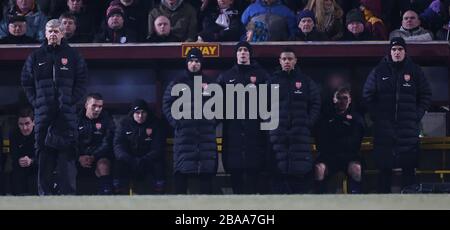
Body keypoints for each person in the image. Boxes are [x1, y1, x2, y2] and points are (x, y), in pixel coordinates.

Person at [21, 19, 88, 195]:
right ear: (45, 33)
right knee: (44, 160)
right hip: (43, 117)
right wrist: (37, 102)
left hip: (67, 116)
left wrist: (70, 100)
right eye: (49, 31)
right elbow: (26, 82)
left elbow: (82, 81)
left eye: (56, 31)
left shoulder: (73, 56)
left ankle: (67, 201)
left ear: (62, 33)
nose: (52, 34)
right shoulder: (35, 57)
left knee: (67, 162)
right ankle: (45, 199)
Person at [363, 37, 432, 193]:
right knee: (384, 171)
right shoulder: (379, 71)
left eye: (400, 49)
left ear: (405, 52)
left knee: (409, 171)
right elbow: (367, 95)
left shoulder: (415, 70)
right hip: (384, 130)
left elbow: (426, 95)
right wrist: (377, 116)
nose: (397, 52)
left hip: (407, 129)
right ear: (390, 51)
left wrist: (416, 115)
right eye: (394, 49)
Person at [217, 41, 270, 194]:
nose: (243, 52)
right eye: (240, 50)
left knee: (254, 179)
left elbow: (271, 100)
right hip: (232, 131)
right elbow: (215, 102)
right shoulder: (226, 76)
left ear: (250, 54)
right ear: (236, 54)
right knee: (236, 178)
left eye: (246, 50)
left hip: (255, 131)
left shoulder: (262, 74)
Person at [163, 48, 218, 194]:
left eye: (197, 61)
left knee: (206, 176)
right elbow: (166, 103)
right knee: (181, 175)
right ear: (187, 63)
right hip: (184, 137)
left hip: (205, 137)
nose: (194, 64)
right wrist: (177, 123)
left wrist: (212, 122)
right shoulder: (177, 83)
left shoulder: (210, 83)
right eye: (191, 61)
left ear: (201, 63)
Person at [267, 48, 321, 194]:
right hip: (278, 134)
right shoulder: (272, 81)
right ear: (280, 61)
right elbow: (261, 105)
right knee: (279, 170)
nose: (287, 62)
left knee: (300, 171)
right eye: (284, 59)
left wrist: (307, 122)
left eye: (290, 59)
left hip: (300, 134)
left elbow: (316, 102)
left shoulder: (305, 81)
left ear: (295, 61)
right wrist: (271, 124)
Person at [315, 87, 364, 194]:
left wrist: (335, 141)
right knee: (319, 169)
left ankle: (356, 202)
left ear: (350, 100)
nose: (342, 101)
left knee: (356, 168)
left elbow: (355, 142)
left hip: (349, 157)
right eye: (339, 98)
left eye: (345, 98)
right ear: (334, 99)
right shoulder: (325, 118)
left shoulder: (356, 119)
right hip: (329, 157)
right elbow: (321, 141)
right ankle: (319, 202)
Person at [114, 99, 165, 194]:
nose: (140, 116)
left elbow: (158, 148)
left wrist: (144, 159)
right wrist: (129, 159)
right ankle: (118, 194)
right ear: (133, 113)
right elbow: (118, 146)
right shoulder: (124, 123)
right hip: (129, 160)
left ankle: (159, 194)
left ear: (147, 113)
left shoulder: (155, 123)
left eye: (143, 112)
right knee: (119, 163)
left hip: (148, 160)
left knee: (159, 164)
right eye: (137, 113)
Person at [77, 93, 115, 195]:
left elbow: (107, 142)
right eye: (94, 106)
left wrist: (93, 156)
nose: (97, 109)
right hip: (78, 157)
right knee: (65, 161)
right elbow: (71, 142)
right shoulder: (75, 119)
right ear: (86, 105)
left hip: (98, 156)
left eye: (100, 106)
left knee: (104, 164)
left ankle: (106, 197)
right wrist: (79, 157)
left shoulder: (107, 119)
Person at [10, 106, 38, 195]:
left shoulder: (40, 135)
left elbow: (46, 157)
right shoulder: (14, 135)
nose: (24, 128)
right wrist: (19, 159)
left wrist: (32, 161)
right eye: (21, 124)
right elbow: (12, 154)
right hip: (19, 171)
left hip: (37, 171)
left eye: (27, 123)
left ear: (33, 122)